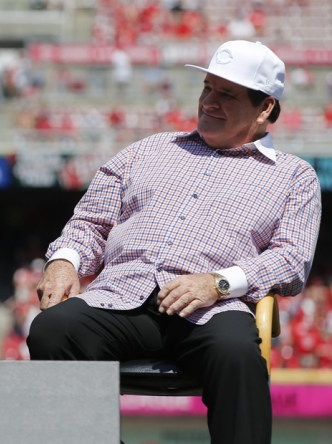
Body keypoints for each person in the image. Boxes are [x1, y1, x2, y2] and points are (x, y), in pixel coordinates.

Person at [27, 40, 321, 443]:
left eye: (227, 95)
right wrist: (63, 261)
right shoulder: (148, 149)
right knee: (53, 329)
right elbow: (91, 221)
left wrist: (217, 283)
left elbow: (291, 260)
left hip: (213, 309)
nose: (209, 102)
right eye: (207, 89)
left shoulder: (294, 176)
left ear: (265, 107)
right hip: (121, 298)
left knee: (238, 355)